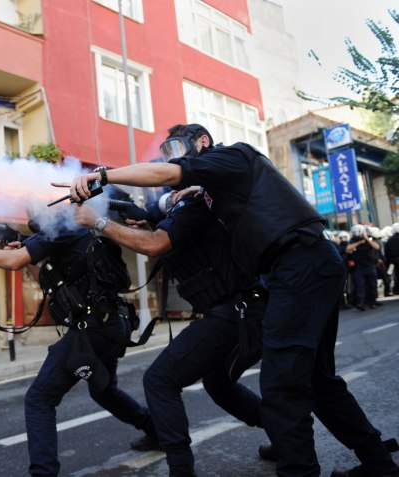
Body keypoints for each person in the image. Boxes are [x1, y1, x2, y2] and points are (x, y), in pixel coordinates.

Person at [66, 123, 398, 477]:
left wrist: (102, 175)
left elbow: (169, 175)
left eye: (176, 148)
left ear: (202, 142)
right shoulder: (213, 188)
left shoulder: (234, 154)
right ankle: (379, 464)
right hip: (303, 266)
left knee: (282, 385)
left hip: (298, 264)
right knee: (319, 381)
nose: (170, 158)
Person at [0, 212, 157, 477]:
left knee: (39, 399)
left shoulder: (63, 229)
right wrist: (26, 252)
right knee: (104, 391)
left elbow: (13, 262)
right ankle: (156, 430)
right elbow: (47, 282)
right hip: (109, 324)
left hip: (93, 328)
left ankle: (43, 472)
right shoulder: (68, 238)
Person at [75, 189, 265, 477]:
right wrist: (149, 224)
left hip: (238, 309)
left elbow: (154, 245)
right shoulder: (181, 214)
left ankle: (181, 469)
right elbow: (170, 240)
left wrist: (100, 222)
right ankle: (283, 431)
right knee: (219, 384)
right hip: (234, 310)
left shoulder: (197, 202)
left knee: (160, 379)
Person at [345, 224, 381, 311]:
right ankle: (361, 302)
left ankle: (373, 301)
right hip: (359, 267)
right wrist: (358, 243)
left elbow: (377, 247)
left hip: (370, 265)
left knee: (372, 284)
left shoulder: (369, 239)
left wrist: (366, 239)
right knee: (360, 286)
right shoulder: (352, 241)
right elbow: (348, 249)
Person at [386, 224, 399, 295]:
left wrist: (389, 261)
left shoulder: (390, 240)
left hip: (395, 261)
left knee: (396, 275)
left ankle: (396, 290)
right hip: (395, 260)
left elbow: (387, 252)